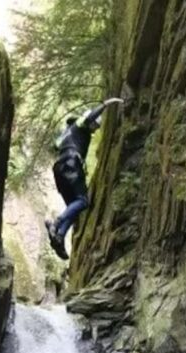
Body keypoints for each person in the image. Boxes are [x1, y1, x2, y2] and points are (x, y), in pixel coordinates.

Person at [45, 97, 124, 259]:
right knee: (83, 201)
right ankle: (57, 224)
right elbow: (89, 117)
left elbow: (55, 145)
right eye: (94, 127)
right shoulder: (80, 125)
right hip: (71, 165)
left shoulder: (67, 131)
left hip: (59, 168)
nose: (94, 131)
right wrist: (106, 104)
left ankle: (58, 237)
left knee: (73, 207)